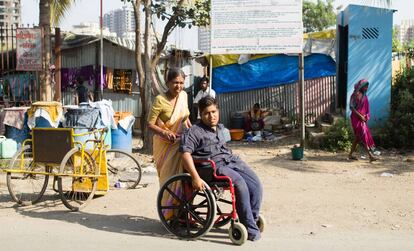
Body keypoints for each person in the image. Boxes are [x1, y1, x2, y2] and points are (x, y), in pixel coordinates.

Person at [180, 96, 263, 241]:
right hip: (213, 167)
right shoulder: (194, 131)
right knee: (240, 184)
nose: (211, 116)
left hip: (231, 161)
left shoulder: (219, 128)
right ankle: (249, 228)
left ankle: (252, 219)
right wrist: (195, 177)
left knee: (256, 184)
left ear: (218, 111)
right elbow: (185, 154)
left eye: (213, 111)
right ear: (201, 114)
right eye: (207, 113)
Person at [148, 67, 192, 195]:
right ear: (167, 83)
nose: (178, 86)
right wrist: (165, 133)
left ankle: (181, 210)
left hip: (181, 142)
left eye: (181, 83)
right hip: (164, 145)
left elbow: (185, 117)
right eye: (175, 82)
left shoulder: (183, 96)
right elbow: (150, 124)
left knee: (185, 176)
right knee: (168, 178)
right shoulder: (159, 100)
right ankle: (168, 212)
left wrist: (193, 132)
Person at [348, 79, 378, 162]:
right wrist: (360, 116)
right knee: (364, 135)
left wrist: (365, 116)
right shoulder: (354, 96)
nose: (367, 87)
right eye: (365, 86)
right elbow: (351, 107)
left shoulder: (365, 96)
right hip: (355, 119)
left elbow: (366, 108)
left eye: (367, 86)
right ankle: (370, 155)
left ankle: (350, 155)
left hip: (362, 119)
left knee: (357, 138)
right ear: (361, 86)